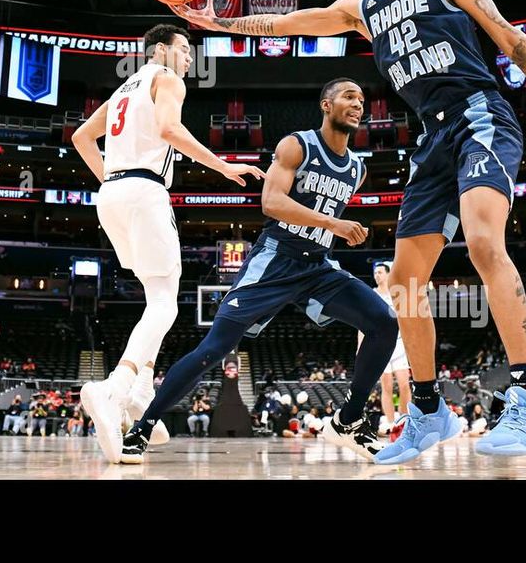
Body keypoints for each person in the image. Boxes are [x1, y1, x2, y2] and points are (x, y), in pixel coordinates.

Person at [174, 0, 526, 462]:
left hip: (479, 118)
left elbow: (510, 37)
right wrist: (217, 21)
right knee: (403, 281)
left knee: (481, 242)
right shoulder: (363, 8)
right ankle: (428, 410)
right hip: (431, 141)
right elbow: (287, 21)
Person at [121, 79, 397, 464]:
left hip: (316, 266)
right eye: (349, 97)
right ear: (326, 104)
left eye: (362, 100)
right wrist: (334, 225)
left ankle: (348, 420)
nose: (358, 104)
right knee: (213, 350)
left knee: (383, 321)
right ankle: (143, 426)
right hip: (274, 261)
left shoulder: (358, 169)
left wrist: (329, 231)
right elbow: (271, 202)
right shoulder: (297, 146)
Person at [71, 23, 265, 462]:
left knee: (155, 297)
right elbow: (170, 130)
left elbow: (81, 137)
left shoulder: (123, 89)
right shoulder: (167, 78)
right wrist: (224, 166)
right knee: (165, 303)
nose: (189, 59)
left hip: (112, 195)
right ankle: (114, 390)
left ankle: (141, 392)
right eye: (185, 50)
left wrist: (112, 181)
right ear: (161, 50)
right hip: (144, 192)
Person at [370, 260, 410, 435]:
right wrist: (360, 345)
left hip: (399, 342)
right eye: (375, 272)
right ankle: (390, 423)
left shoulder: (397, 293)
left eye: (380, 272)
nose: (377, 275)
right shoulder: (371, 294)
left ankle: (403, 420)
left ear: (387, 274)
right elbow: (363, 321)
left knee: (404, 384)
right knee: (386, 386)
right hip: (379, 342)